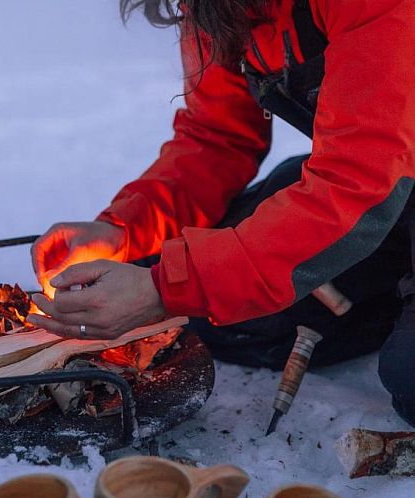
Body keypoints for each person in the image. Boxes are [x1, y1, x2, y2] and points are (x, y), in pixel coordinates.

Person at [26, 0, 415, 427]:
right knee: (229, 321)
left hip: (376, 180)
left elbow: (355, 180)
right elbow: (218, 139)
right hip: (387, 181)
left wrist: (164, 289)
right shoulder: (218, 8)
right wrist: (122, 229)